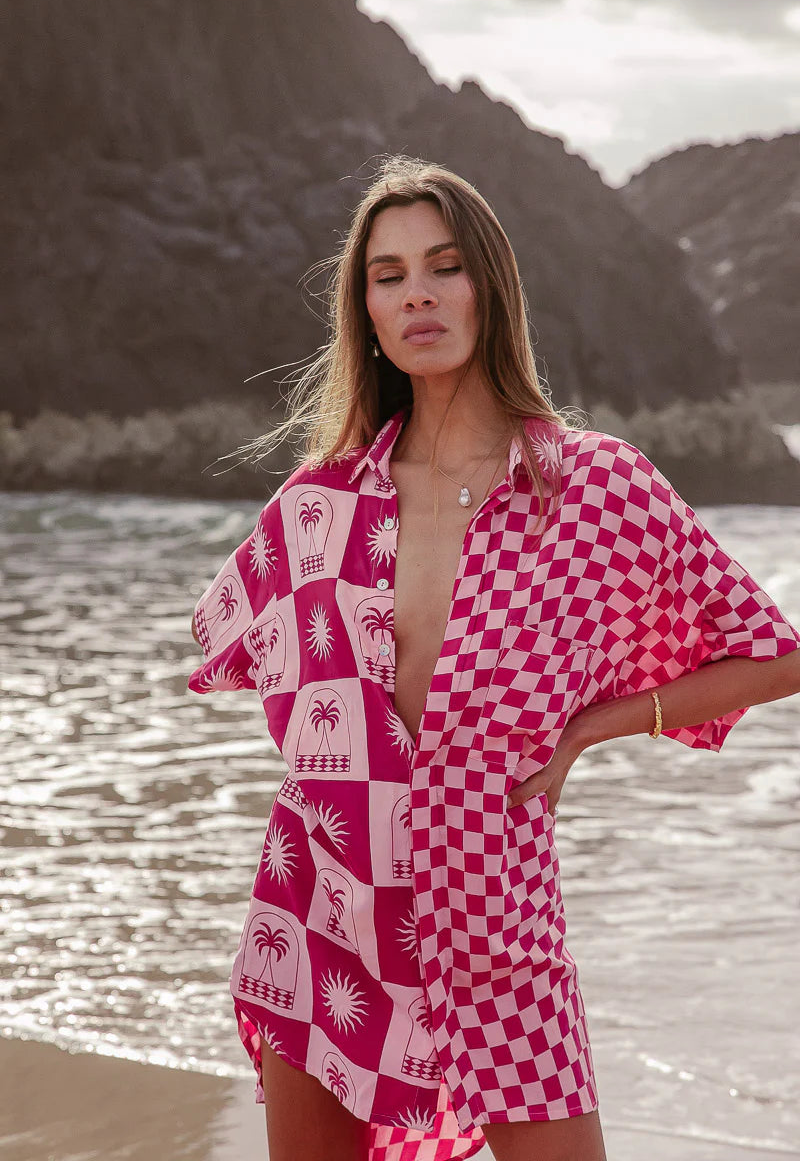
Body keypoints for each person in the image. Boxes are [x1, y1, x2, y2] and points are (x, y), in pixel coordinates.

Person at [187, 155, 800, 1161]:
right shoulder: (320, 503)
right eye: (387, 275)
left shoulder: (593, 490)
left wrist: (589, 727)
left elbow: (771, 654)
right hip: (327, 909)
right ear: (367, 311)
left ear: (489, 288)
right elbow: (228, 646)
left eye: (443, 265)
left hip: (495, 914)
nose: (417, 292)